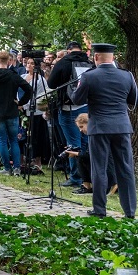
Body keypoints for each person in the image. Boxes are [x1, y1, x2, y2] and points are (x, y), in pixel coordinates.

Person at [70, 43, 138, 218]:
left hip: (99, 127)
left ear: (95, 57)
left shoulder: (89, 76)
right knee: (125, 168)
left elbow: (77, 100)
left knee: (99, 168)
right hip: (122, 126)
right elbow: (136, 99)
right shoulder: (127, 76)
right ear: (113, 57)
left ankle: (100, 209)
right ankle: (130, 210)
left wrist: (72, 90)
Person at [46, 41, 94, 188]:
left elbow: (52, 84)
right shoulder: (89, 62)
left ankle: (76, 177)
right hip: (86, 105)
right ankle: (89, 175)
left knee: (73, 144)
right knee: (86, 142)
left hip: (68, 107)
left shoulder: (63, 62)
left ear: (68, 51)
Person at [0, 50, 33, 175]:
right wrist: (21, 102)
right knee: (13, 140)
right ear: (9, 61)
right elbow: (28, 89)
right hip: (12, 110)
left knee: (1, 140)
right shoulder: (13, 75)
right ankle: (16, 167)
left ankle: (7, 168)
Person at [66, 112, 117, 197]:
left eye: (81, 127)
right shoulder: (92, 134)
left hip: (108, 165)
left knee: (80, 157)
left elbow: (92, 154)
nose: (80, 130)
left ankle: (113, 184)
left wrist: (76, 153)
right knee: (80, 157)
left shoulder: (96, 134)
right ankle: (87, 185)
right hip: (102, 162)